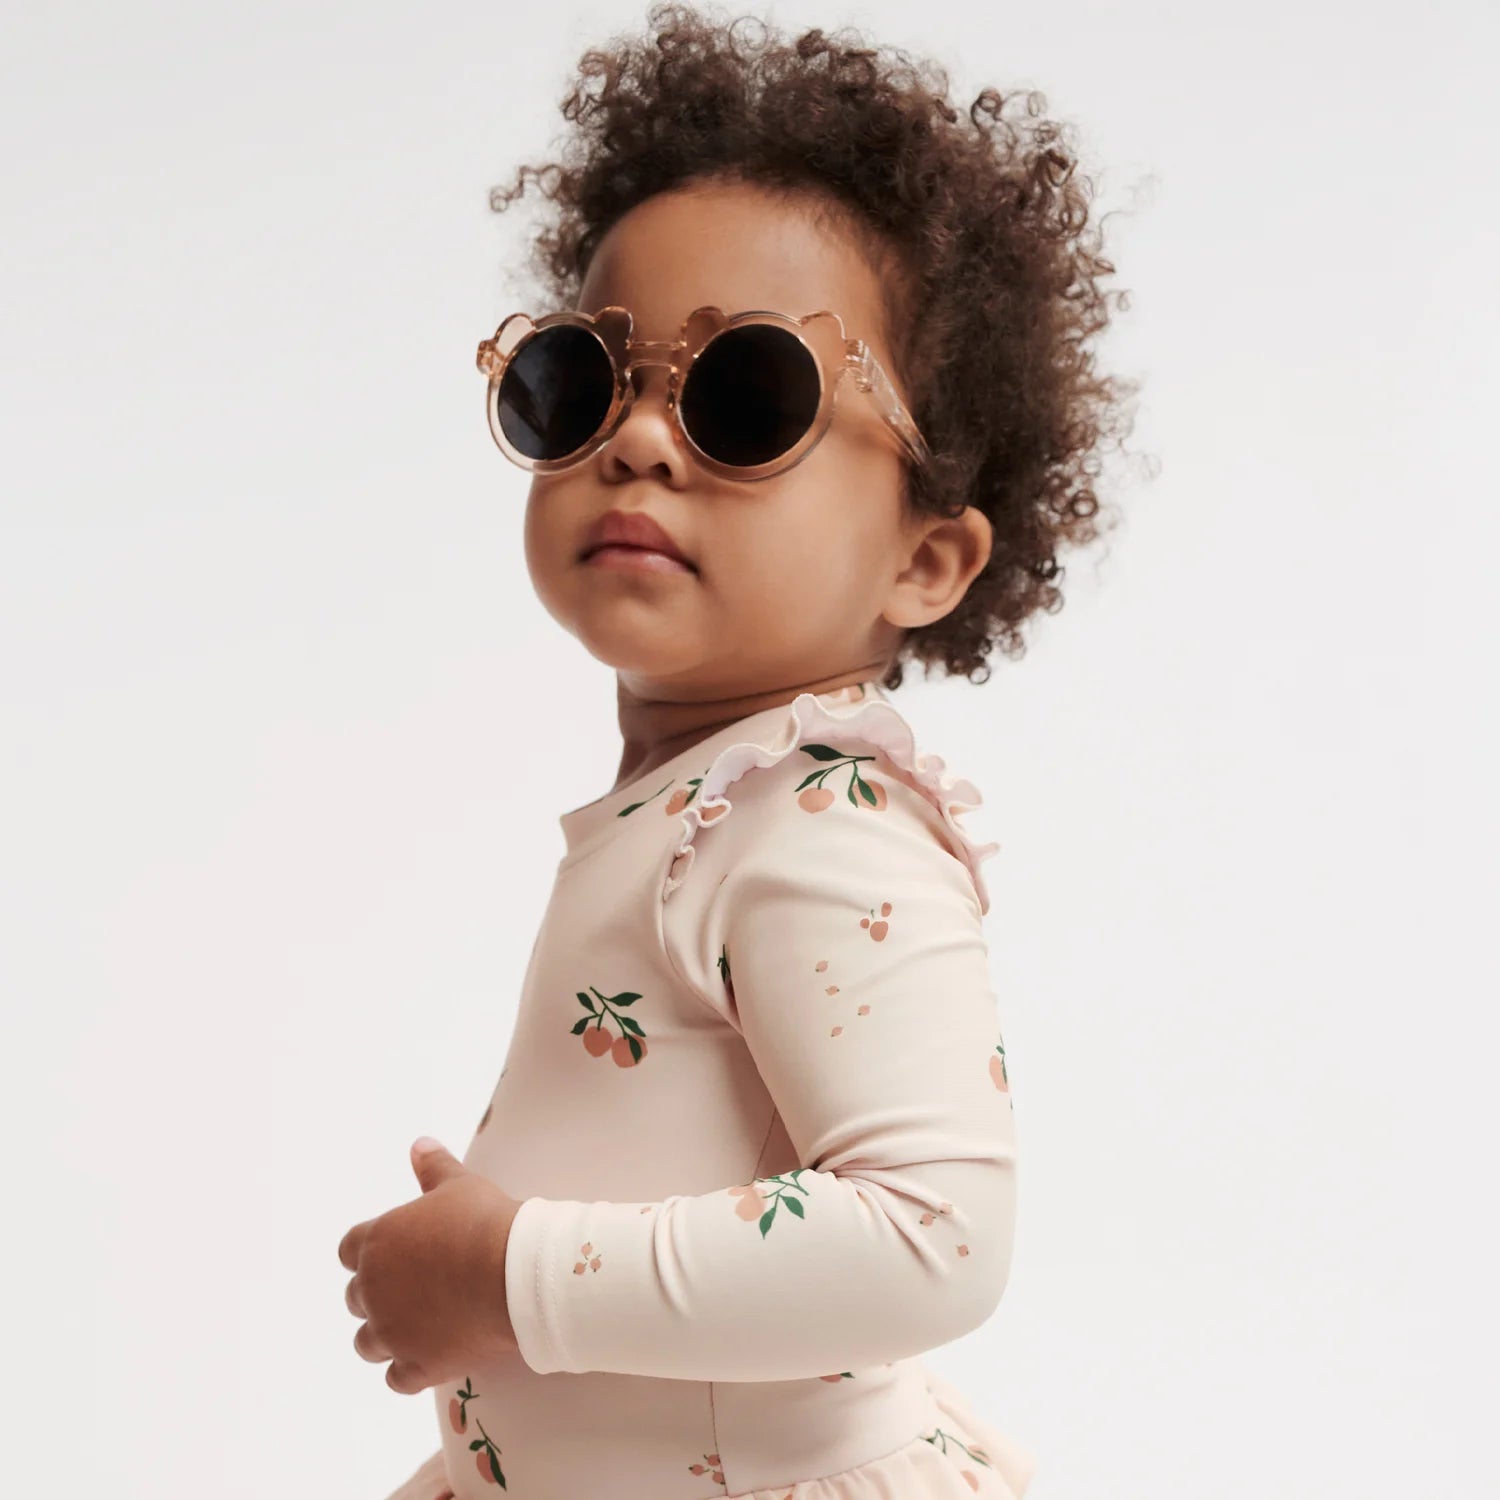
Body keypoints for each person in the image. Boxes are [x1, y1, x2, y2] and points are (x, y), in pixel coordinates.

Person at [342, 4, 1137, 1496]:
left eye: (745, 398)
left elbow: (934, 1238)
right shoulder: (701, 806)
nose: (640, 442)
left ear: (924, 560)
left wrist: (514, 1276)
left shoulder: (822, 823)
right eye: (584, 381)